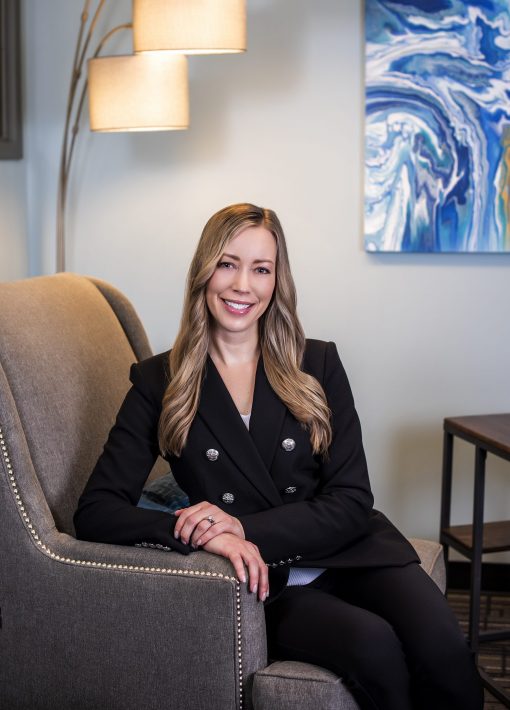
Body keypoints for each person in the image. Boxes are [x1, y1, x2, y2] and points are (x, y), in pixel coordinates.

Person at [74, 203, 483, 710]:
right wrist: (196, 530)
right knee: (374, 648)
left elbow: (353, 498)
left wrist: (242, 529)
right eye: (227, 263)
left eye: (260, 269)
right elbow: (95, 511)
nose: (242, 285)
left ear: (276, 280)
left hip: (351, 549)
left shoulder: (318, 363)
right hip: (273, 581)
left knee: (446, 650)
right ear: (203, 271)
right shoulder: (160, 382)